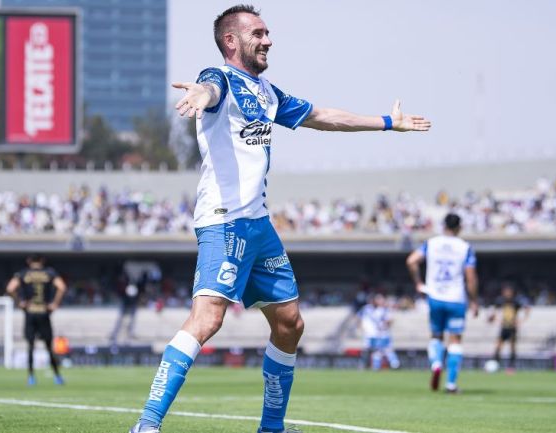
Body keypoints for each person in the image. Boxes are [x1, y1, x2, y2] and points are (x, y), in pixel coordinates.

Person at [128, 5, 430, 433]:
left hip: (259, 225)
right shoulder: (221, 78)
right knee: (208, 318)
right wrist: (201, 94)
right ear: (231, 41)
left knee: (290, 324)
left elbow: (322, 117)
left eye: (268, 32)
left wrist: (386, 122)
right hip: (224, 220)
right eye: (258, 33)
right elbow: (211, 88)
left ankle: (272, 428)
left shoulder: (268, 93)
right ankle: (147, 423)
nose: (268, 40)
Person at [406, 213, 478, 393]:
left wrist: (418, 282)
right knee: (455, 340)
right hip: (456, 298)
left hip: (435, 296)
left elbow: (411, 261)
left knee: (436, 335)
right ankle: (451, 384)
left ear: (444, 225)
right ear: (459, 227)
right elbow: (470, 277)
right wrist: (475, 300)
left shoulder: (432, 243)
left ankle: (436, 363)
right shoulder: (464, 247)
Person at [6, 254, 67, 386]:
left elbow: (10, 288)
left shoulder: (23, 274)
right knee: (49, 347)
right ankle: (57, 376)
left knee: (30, 346)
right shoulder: (49, 273)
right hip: (44, 312)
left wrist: (19, 302)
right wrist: (55, 303)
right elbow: (62, 287)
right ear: (42, 260)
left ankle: (31, 377)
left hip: (30, 312)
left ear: (29, 261)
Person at [488, 283, 530, 373]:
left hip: (512, 327)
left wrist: (521, 321)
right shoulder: (500, 300)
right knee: (498, 346)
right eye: (505, 291)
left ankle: (511, 367)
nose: (506, 293)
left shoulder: (516, 301)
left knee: (512, 347)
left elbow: (527, 309)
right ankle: (495, 364)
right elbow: (493, 311)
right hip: (504, 327)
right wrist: (495, 319)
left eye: (508, 291)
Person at [357, 294, 400, 371]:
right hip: (370, 334)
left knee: (384, 350)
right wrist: (361, 327)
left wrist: (385, 325)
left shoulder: (384, 310)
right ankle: (364, 364)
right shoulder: (366, 309)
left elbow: (389, 320)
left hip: (381, 334)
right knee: (368, 350)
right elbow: (359, 317)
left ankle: (394, 364)